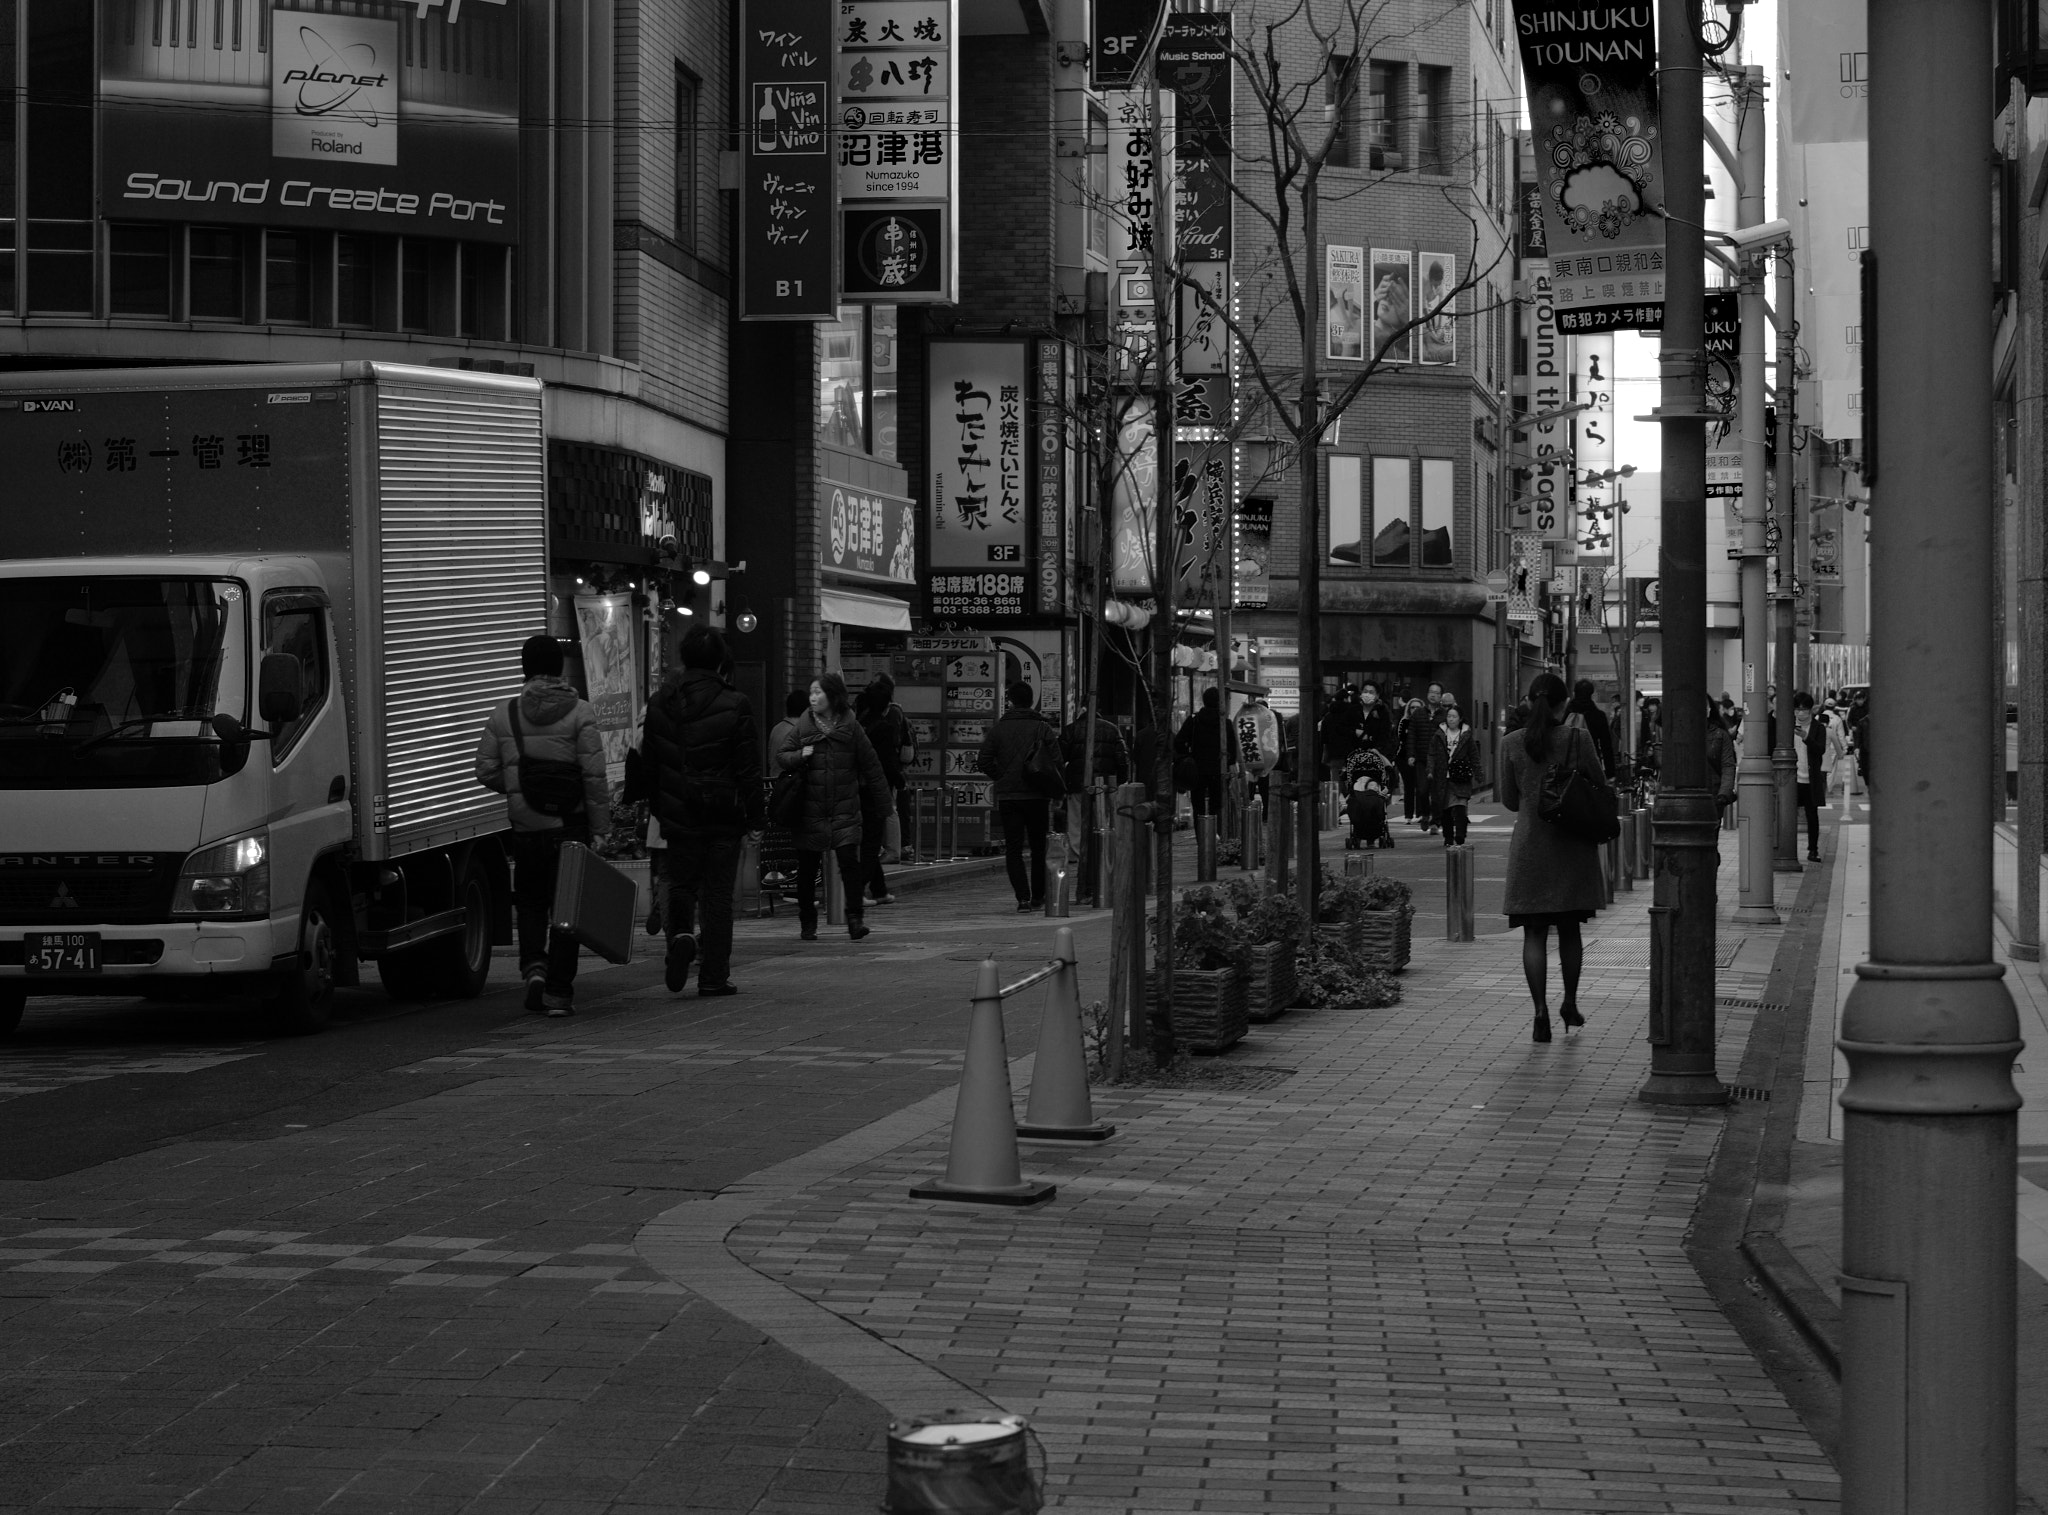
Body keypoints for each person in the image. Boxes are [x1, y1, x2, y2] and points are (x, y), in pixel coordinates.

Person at [474, 634, 610, 1017]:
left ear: (523, 668)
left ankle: (534, 967)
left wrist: (517, 789)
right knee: (567, 909)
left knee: (532, 900)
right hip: (570, 825)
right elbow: (594, 777)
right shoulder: (581, 711)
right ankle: (558, 994)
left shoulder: (504, 714)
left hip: (527, 827)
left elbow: (484, 768)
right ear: (561, 668)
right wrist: (601, 828)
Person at [640, 626, 762, 997]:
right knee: (718, 896)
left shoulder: (662, 702)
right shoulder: (735, 702)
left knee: (681, 884)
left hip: (678, 813)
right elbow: (748, 768)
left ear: (685, 657)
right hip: (724, 815)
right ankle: (713, 975)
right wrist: (756, 818)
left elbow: (650, 762)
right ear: (721, 660)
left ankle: (680, 936)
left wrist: (659, 807)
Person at [1499, 671, 1608, 1043]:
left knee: (1534, 932)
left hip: (1530, 849)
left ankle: (1539, 1012)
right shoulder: (1578, 738)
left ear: (1529, 702)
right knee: (1569, 930)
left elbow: (1511, 801)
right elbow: (1599, 783)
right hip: (1572, 847)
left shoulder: (1512, 743)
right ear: (1564, 704)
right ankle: (1570, 1003)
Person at [777, 673, 890, 941]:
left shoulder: (851, 726)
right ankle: (808, 921)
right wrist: (799, 755)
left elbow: (872, 766)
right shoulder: (804, 725)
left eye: (818, 692)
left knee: (850, 863)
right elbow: (782, 756)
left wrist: (886, 804)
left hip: (844, 807)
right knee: (807, 868)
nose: (813, 697)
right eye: (811, 692)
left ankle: (855, 919)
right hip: (810, 809)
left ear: (833, 696)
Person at [978, 680, 1063, 909]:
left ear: (1012, 702)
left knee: (1013, 848)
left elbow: (983, 760)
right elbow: (1056, 761)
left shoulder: (999, 729)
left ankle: (1022, 897)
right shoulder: (1042, 728)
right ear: (1030, 700)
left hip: (1009, 797)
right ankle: (1038, 896)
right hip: (1037, 795)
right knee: (1038, 847)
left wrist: (1002, 776)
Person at [854, 675, 908, 905]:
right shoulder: (883, 728)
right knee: (871, 841)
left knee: (869, 837)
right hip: (876, 789)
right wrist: (899, 780)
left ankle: (879, 889)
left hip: (857, 786)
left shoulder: (858, 722)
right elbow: (887, 762)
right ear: (887, 706)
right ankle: (855, 890)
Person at [1172, 686, 1234, 816]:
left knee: (1198, 807)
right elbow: (1233, 751)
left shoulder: (1194, 720)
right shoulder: (1225, 723)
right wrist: (1228, 762)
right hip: (1219, 770)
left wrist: (1189, 756)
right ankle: (1215, 834)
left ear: (1204, 701)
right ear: (1220, 702)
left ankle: (1201, 834)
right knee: (1217, 806)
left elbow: (1178, 742)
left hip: (1197, 769)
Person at [1428, 701, 1479, 846]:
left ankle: (1461, 834)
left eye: (1454, 717)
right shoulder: (1439, 734)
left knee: (1460, 807)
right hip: (1443, 778)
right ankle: (1448, 837)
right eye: (1449, 716)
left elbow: (1474, 755)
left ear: (1460, 719)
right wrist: (1430, 770)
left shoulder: (1466, 735)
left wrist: (1478, 773)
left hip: (1460, 777)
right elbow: (1432, 754)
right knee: (1446, 810)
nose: (1451, 719)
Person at [1793, 691, 1828, 861]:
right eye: (1797, 709)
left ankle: (1813, 849)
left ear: (1811, 710)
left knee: (1812, 816)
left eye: (1804, 709)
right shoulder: (1787, 726)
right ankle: (1785, 848)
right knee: (1786, 815)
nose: (1800, 713)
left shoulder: (1818, 728)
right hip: (1792, 780)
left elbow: (1820, 749)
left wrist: (1806, 737)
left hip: (1810, 778)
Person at [1566, 677, 1616, 778]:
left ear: (1574, 693)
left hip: (1567, 764)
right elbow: (1606, 746)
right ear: (1592, 694)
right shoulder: (1598, 716)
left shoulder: (1565, 714)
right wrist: (1610, 774)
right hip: (1590, 764)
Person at [1399, 697, 1434, 828]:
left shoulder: (1428, 720)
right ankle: (1410, 815)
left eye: (1417, 707)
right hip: (1409, 758)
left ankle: (1423, 814)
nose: (1415, 710)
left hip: (1425, 757)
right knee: (1412, 788)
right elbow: (1402, 739)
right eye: (1412, 707)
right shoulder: (1404, 722)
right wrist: (1409, 755)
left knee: (1425, 788)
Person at [1704, 697, 1737, 818]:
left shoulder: (1720, 735)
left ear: (1709, 710)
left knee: (1711, 833)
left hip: (1713, 794)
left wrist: (1724, 793)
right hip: (1685, 798)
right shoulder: (1679, 735)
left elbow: (1727, 764)